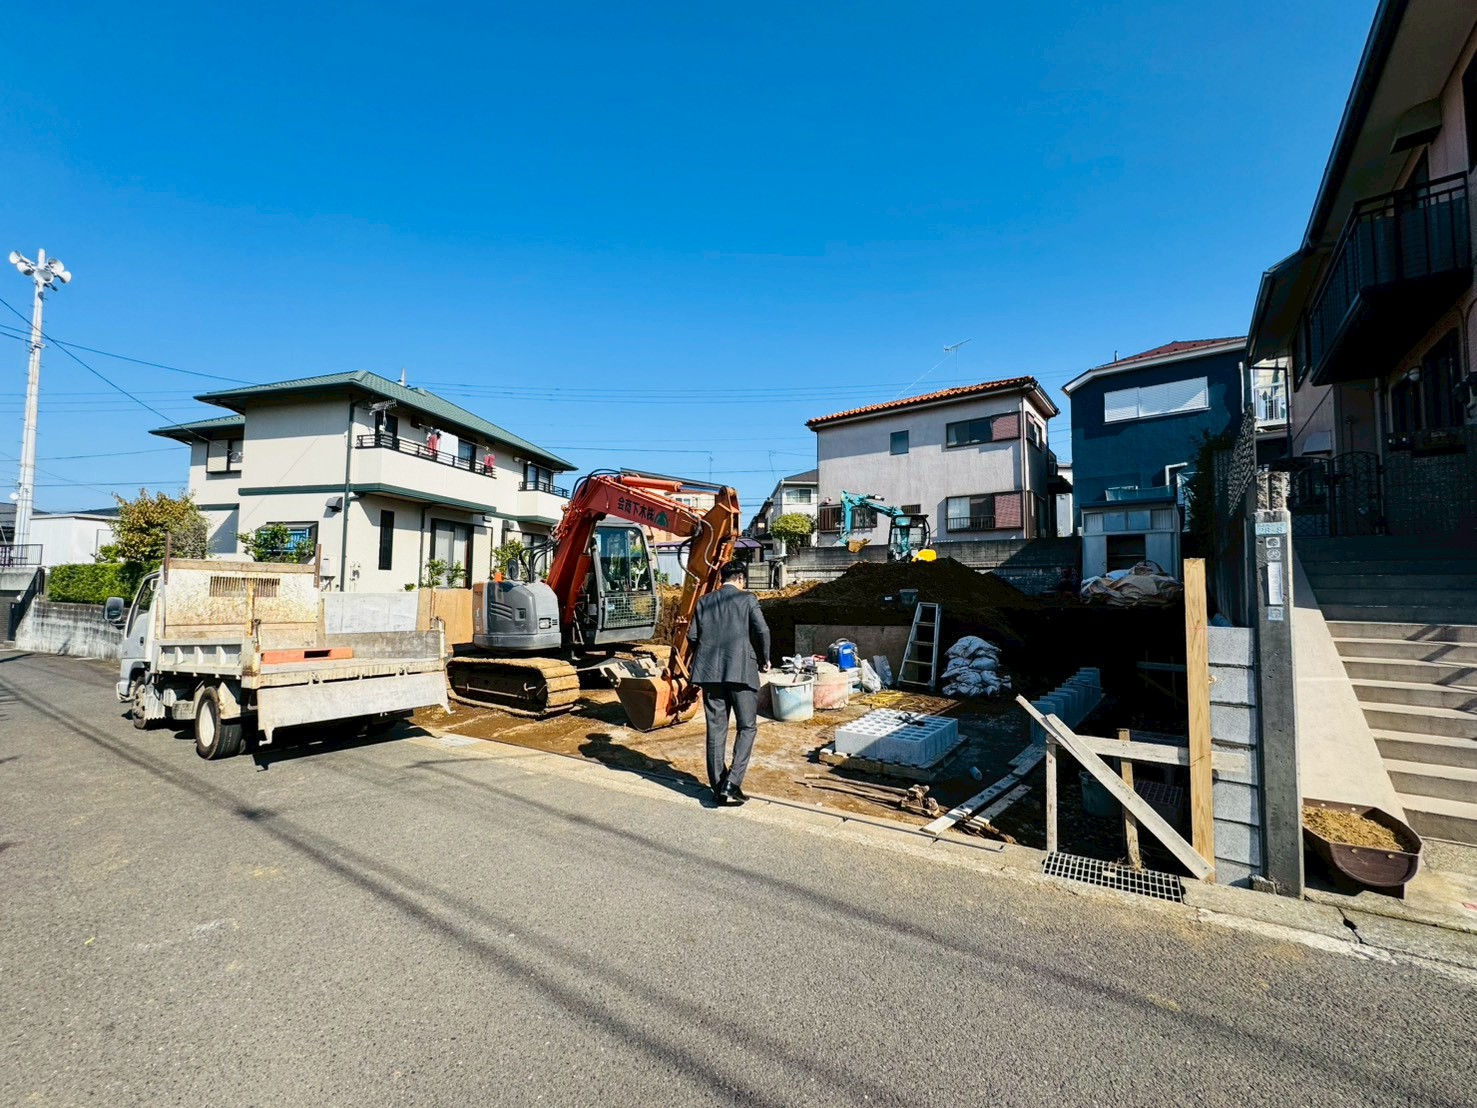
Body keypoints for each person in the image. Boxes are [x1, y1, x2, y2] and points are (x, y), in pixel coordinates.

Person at [687, 560, 771, 806]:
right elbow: (763, 631)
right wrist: (765, 659)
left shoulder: (704, 601)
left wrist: (706, 656)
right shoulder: (747, 599)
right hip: (742, 672)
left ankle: (718, 788)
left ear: (722, 578)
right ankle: (732, 783)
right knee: (747, 727)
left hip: (710, 674)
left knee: (716, 729)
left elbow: (692, 636)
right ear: (741, 579)